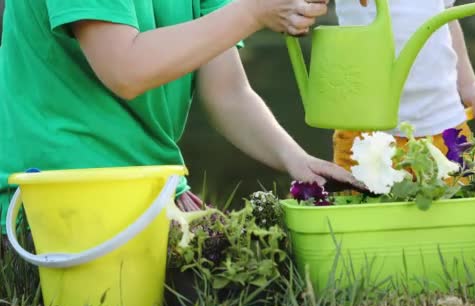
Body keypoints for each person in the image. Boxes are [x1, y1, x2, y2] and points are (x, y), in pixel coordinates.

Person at [0, 0, 367, 234]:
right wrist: (252, 11)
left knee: (277, 279)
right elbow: (125, 70)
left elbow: (228, 93)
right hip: (56, 198)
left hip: (154, 189)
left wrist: (296, 159)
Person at [333, 0, 475, 171]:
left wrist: (467, 84)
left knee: (458, 192)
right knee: (360, 197)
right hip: (364, 128)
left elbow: (446, 15)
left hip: (444, 122)